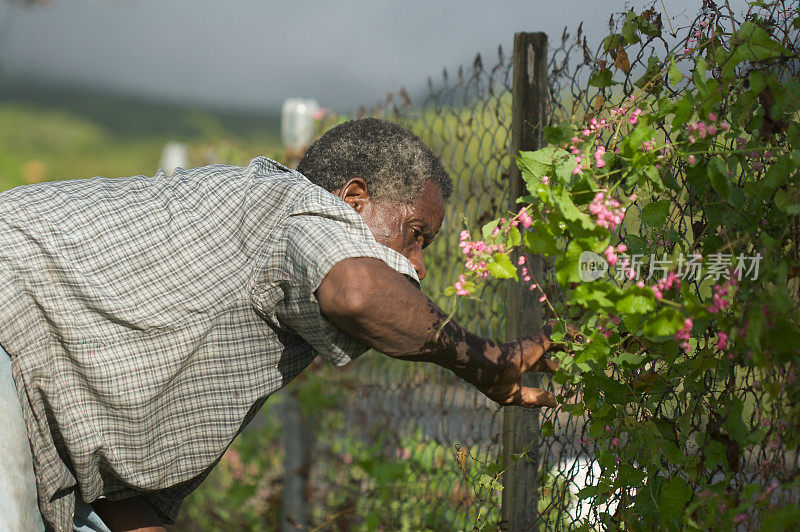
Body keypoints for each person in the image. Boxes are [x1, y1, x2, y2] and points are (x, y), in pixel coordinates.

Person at [0, 118, 567, 531]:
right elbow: (360, 292)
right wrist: (491, 362)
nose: (418, 265)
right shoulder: (297, 208)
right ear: (353, 200)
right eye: (416, 234)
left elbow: (115, 499)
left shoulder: (257, 300)